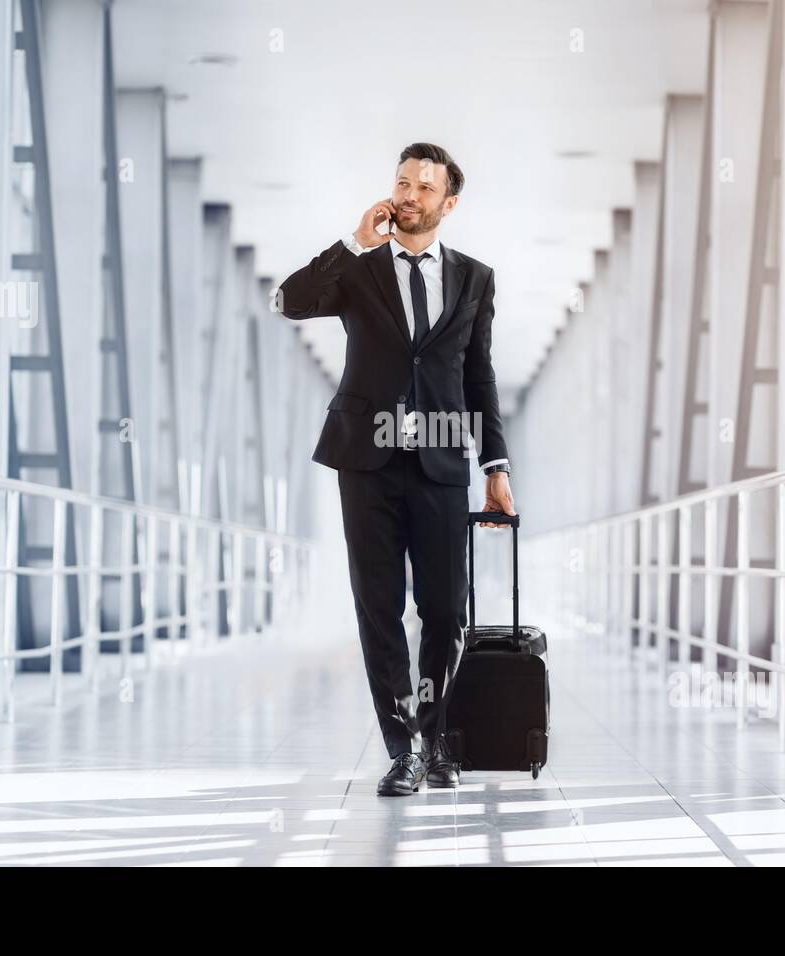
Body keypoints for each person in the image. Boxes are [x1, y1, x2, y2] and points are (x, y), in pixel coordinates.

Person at [278, 142, 516, 795]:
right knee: (377, 606)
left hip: (441, 460)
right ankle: (404, 747)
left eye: (423, 187)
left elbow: (479, 376)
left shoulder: (475, 279)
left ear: (448, 203)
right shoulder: (359, 270)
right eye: (402, 183)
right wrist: (352, 243)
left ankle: (438, 738)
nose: (408, 196)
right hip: (366, 460)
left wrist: (496, 465)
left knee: (443, 607)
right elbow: (288, 301)